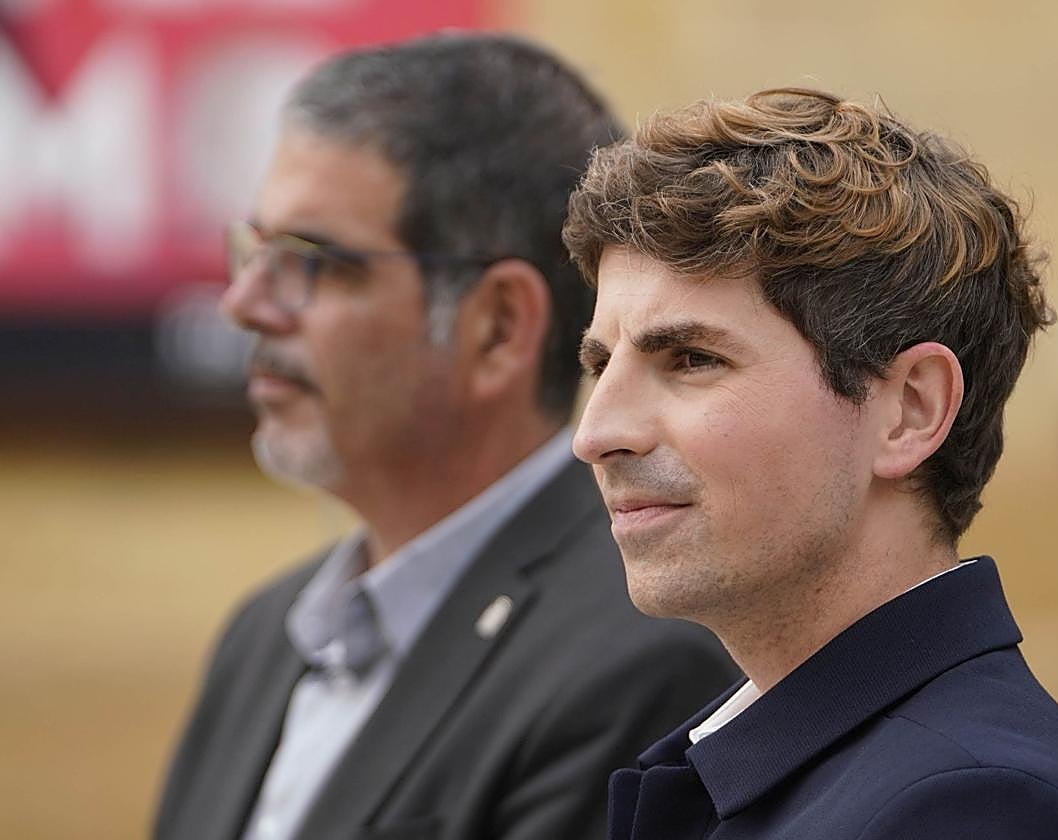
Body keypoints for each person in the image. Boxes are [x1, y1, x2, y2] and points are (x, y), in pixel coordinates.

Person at [154, 33, 736, 840]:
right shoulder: (264, 633)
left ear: (497, 327)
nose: (244, 304)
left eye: (311, 261)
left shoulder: (638, 662)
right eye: (254, 251)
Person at [563, 87, 1058, 839]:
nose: (597, 432)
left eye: (691, 359)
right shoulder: (767, 770)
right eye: (600, 364)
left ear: (909, 410)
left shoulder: (978, 808)